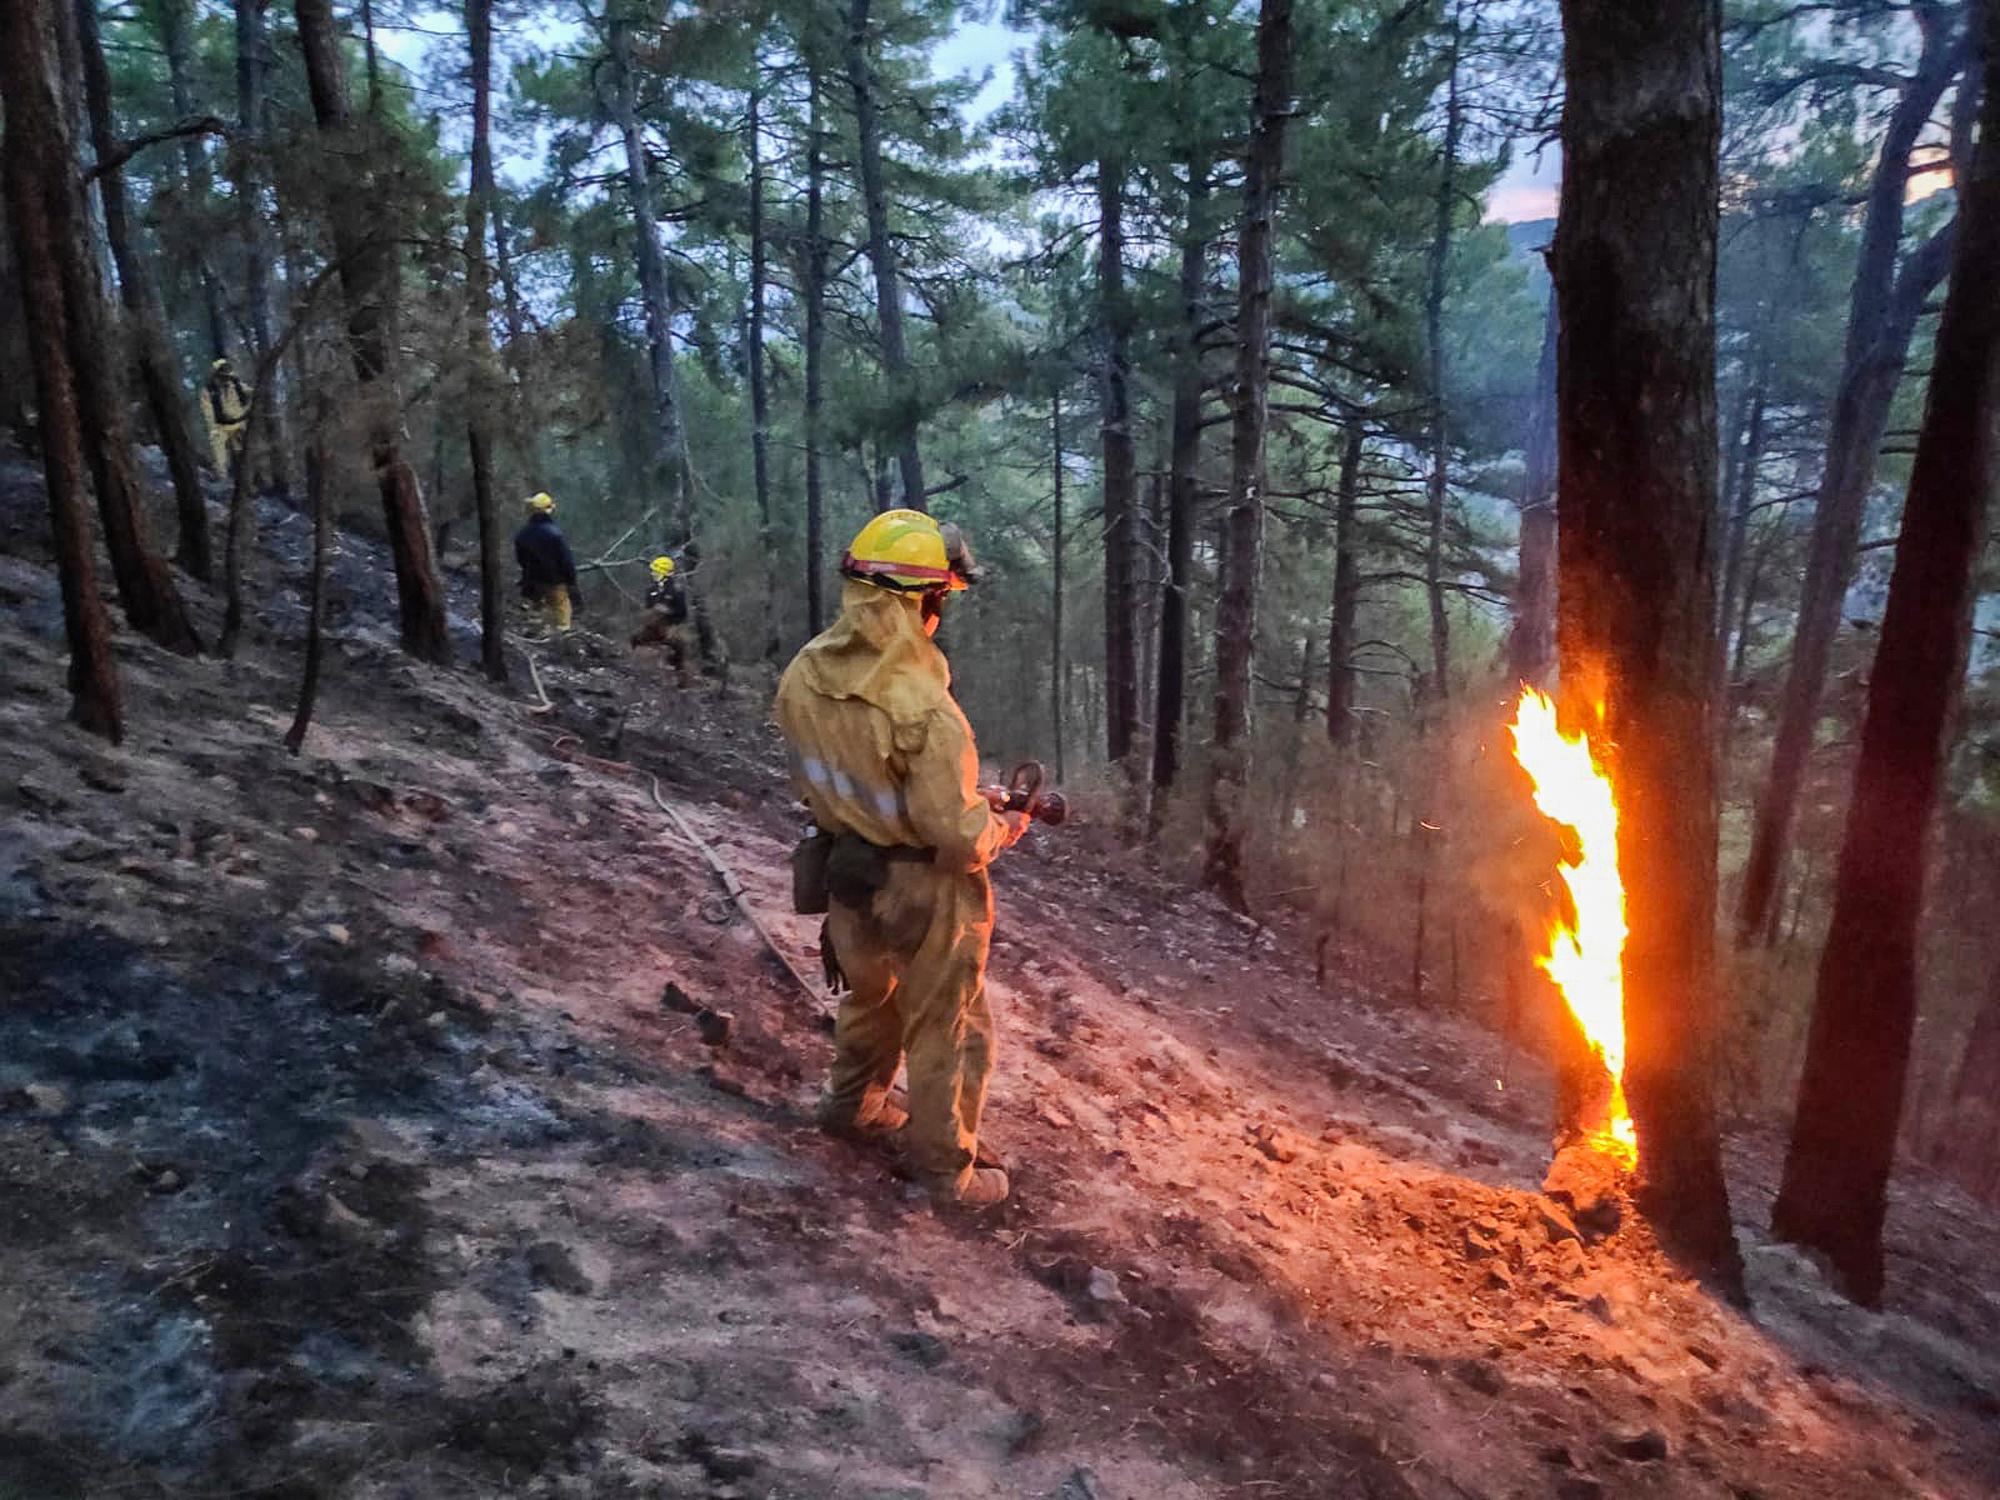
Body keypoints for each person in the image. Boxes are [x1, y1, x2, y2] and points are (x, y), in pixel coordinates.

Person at [773, 510, 1028, 1208]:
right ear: (922, 600)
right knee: (947, 1022)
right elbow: (955, 835)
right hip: (925, 888)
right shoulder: (926, 709)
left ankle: (849, 1105)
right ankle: (947, 1172)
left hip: (845, 869)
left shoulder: (803, 674)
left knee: (870, 997)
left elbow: (842, 776)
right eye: (939, 599)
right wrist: (1002, 826)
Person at [513, 491, 581, 632]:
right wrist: (571, 580)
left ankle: (536, 637)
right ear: (549, 510)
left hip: (531, 580)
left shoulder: (522, 534)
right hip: (555, 581)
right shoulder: (555, 534)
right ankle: (563, 641)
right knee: (562, 613)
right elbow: (566, 561)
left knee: (536, 611)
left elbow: (520, 559)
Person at [630, 554, 694, 686]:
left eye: (655, 570)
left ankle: (680, 673)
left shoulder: (676, 590)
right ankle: (635, 669)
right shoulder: (651, 590)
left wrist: (668, 612)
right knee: (635, 637)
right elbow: (648, 607)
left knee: (677, 643)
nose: (652, 573)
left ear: (663, 571)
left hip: (672, 624)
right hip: (653, 624)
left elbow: (683, 613)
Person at [201, 357, 251, 481]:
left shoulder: (237, 384)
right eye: (222, 373)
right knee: (219, 456)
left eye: (227, 372)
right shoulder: (208, 390)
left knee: (242, 455)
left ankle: (245, 483)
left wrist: (247, 412)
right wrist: (212, 429)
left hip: (239, 424)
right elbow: (207, 411)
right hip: (220, 427)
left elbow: (252, 393)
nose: (225, 376)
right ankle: (221, 479)